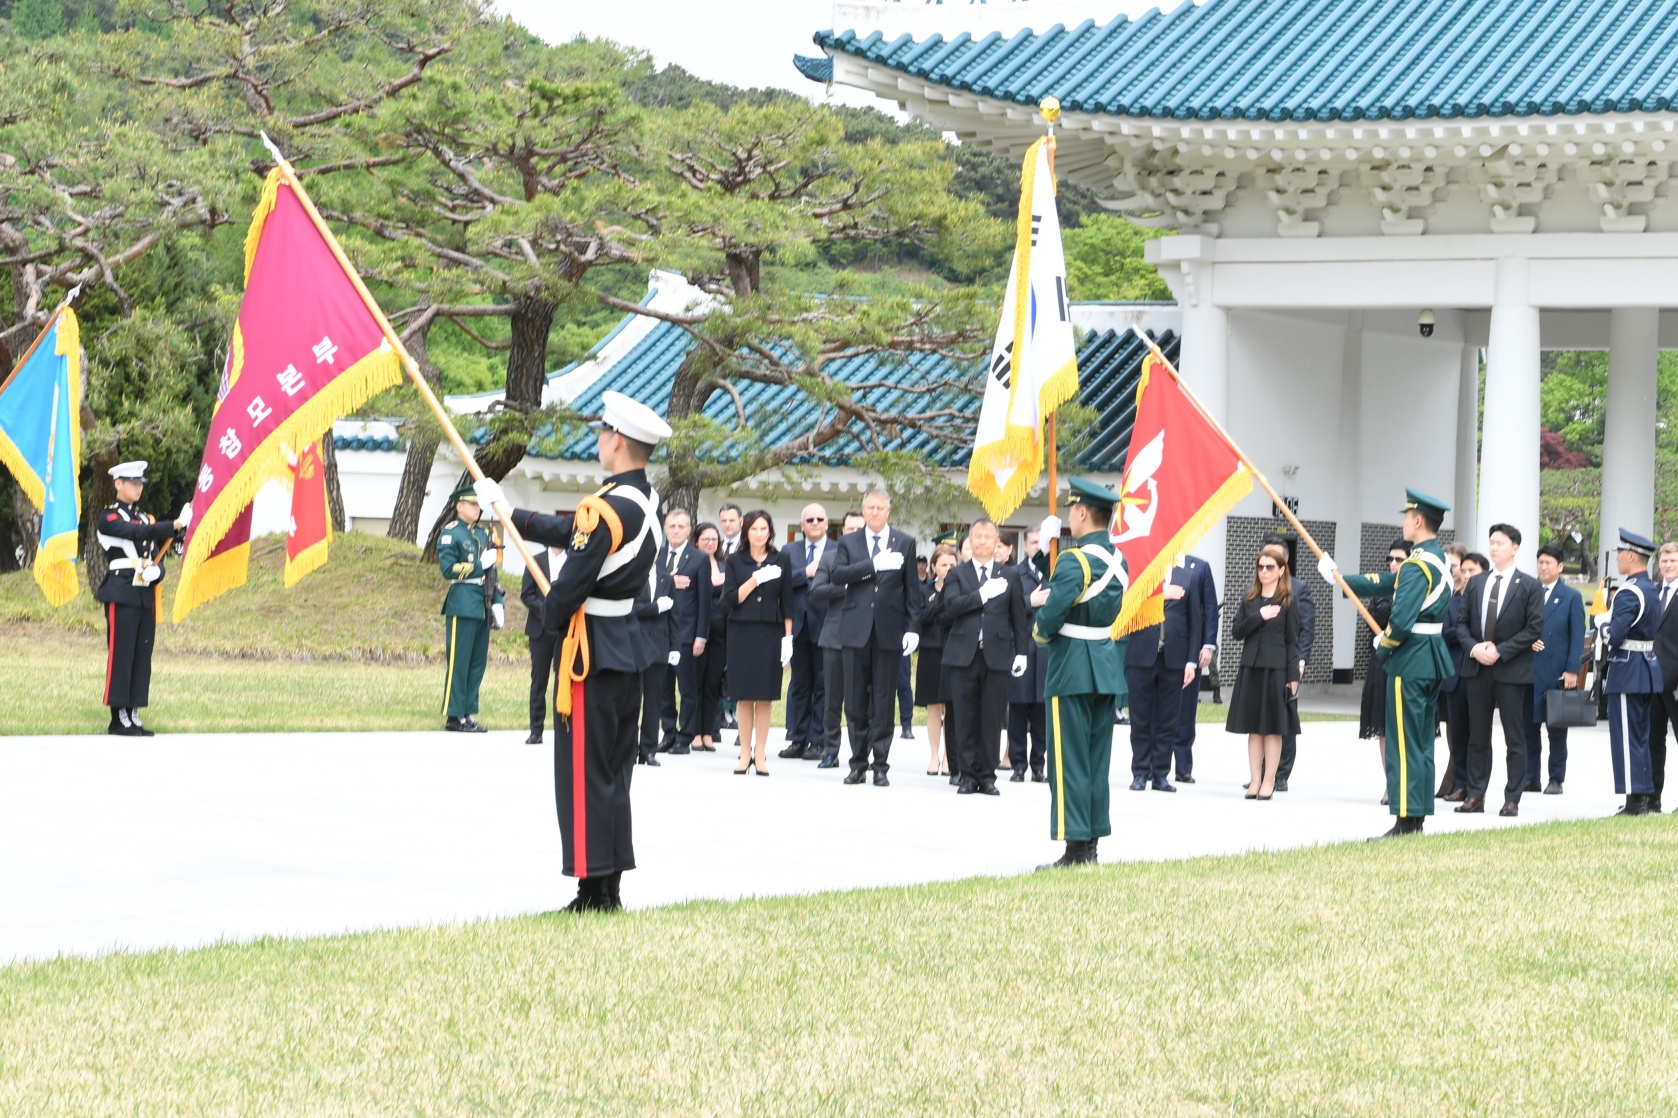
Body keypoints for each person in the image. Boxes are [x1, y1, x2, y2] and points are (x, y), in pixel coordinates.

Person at [475, 390, 669, 913]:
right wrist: (508, 512)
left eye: (604, 433)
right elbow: (572, 532)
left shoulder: (605, 508)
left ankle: (591, 892)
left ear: (618, 442)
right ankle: (609, 888)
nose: (600, 440)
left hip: (591, 655)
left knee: (583, 775)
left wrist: (550, 621)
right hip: (626, 648)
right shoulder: (645, 504)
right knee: (613, 774)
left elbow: (570, 584)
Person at [1324, 489, 1455, 838]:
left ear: (1417, 520)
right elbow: (1385, 582)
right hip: (1430, 657)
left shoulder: (1416, 565)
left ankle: (1404, 820)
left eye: (1406, 516)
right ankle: (1417, 816)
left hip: (1410, 658)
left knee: (1402, 741)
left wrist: (1386, 642)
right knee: (1422, 741)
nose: (1403, 522)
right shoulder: (1438, 559)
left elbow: (1402, 615)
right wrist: (1339, 577)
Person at [1033, 479, 1126, 868]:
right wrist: (1044, 555)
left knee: (1068, 762)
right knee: (1094, 762)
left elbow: (1052, 612)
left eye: (1072, 509)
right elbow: (1076, 593)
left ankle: (1074, 851)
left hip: (1071, 666)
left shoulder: (1075, 559)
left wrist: (1039, 630)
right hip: (1104, 666)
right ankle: (1089, 846)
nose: (1070, 514)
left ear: (1083, 512)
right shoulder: (1119, 560)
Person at [830, 488, 925, 786]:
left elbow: (912, 590)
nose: (874, 512)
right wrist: (873, 565)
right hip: (856, 629)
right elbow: (838, 575)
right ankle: (857, 763)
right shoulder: (848, 541)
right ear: (862, 509)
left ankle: (881, 764)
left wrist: (913, 627)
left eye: (880, 508)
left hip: (889, 630)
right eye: (869, 507)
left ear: (888, 510)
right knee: (855, 701)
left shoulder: (905, 542)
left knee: (884, 700)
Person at [93, 461, 191, 736]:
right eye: (132, 482)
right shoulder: (109, 517)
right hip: (121, 590)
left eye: (140, 482)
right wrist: (175, 524)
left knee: (141, 655)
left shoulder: (146, 518)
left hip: (144, 593)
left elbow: (156, 554)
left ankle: (133, 713)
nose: (138, 486)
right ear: (118, 484)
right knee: (122, 653)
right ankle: (118, 717)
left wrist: (156, 572)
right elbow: (138, 534)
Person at [1453, 523, 1544, 817]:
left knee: (1514, 737)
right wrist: (1474, 648)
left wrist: (1500, 651)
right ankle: (1475, 794)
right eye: (1491, 543)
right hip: (1477, 668)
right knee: (1477, 736)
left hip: (1511, 670)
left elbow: (1533, 629)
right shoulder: (1477, 583)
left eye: (1500, 543)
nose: (1493, 548)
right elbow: (1462, 624)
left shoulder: (1529, 585)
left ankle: (1512, 798)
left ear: (1515, 548)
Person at [941, 518, 1030, 797]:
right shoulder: (958, 574)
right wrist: (981, 594)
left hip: (997, 654)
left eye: (987, 537)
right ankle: (967, 775)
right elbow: (951, 607)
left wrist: (1022, 653)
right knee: (965, 716)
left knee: (992, 718)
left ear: (997, 543)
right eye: (976, 536)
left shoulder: (1010, 575)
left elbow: (1019, 617)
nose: (981, 541)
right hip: (964, 654)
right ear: (969, 541)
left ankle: (987, 776)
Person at [1124, 554, 1215, 793]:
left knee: (1168, 719)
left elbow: (1195, 621)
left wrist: (1191, 662)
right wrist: (1161, 594)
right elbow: (1126, 608)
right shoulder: (1141, 575)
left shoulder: (1187, 576)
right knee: (1141, 718)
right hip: (1142, 655)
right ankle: (1141, 772)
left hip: (1174, 658)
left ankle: (1161, 774)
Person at [1225, 543, 1301, 799]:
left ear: (1281, 570)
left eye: (1270, 567)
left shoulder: (1288, 601)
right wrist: (1260, 615)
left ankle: (1270, 781)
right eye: (1260, 567)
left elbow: (1293, 642)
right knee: (1253, 728)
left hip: (1276, 670)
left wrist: (1293, 677)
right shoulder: (1249, 599)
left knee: (1272, 728)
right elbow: (1236, 632)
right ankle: (1255, 780)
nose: (1264, 571)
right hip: (1252, 669)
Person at [723, 510, 795, 775]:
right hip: (741, 630)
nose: (759, 534)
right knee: (743, 696)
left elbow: (788, 601)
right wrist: (755, 579)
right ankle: (744, 753)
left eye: (763, 529)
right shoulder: (735, 560)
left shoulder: (781, 559)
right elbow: (730, 598)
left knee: (765, 696)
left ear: (770, 531)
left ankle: (761, 753)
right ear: (746, 532)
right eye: (754, 529)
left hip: (771, 631)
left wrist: (788, 638)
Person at [1599, 529, 1663, 816]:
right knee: (1640, 737)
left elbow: (1614, 636)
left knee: (1626, 738)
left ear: (1631, 555)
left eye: (1620, 554)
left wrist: (1601, 623)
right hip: (1646, 668)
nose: (1618, 559)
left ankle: (1635, 801)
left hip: (1627, 670)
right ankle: (1644, 795)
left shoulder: (1629, 591)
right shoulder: (1651, 588)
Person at [437, 482, 505, 733]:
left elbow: (492, 574)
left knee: (477, 662)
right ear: (459, 506)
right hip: (463, 599)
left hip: (483, 600)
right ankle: (454, 715)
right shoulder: (450, 533)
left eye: (479, 504)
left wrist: (498, 601)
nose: (478, 508)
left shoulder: (483, 534)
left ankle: (468, 712)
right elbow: (447, 569)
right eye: (473, 504)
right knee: (459, 661)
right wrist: (478, 564)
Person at [1352, 540, 1410, 802]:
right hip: (1383, 662)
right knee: (1385, 727)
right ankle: (1391, 783)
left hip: (1409, 662)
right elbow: (1374, 620)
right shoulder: (1383, 591)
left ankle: (1408, 783)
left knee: (1406, 728)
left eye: (1399, 559)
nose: (1393, 564)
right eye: (1391, 559)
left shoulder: (1418, 589)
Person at [1526, 542, 1585, 796]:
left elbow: (1577, 635)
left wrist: (1573, 670)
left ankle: (1555, 778)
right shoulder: (1529, 592)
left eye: (1549, 562)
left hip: (1556, 671)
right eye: (1540, 562)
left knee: (1556, 730)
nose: (1543, 567)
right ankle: (1530, 778)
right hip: (1529, 670)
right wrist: (1528, 640)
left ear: (1560, 566)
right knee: (1528, 728)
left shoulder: (1571, 597)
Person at [811, 510, 865, 768]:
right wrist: (846, 588)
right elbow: (817, 590)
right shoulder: (830, 558)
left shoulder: (875, 560)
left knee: (860, 702)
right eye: (850, 528)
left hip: (865, 637)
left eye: (859, 528)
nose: (854, 533)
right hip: (834, 636)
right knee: (832, 699)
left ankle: (860, 753)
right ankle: (830, 750)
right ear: (843, 531)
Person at [780, 503, 831, 760]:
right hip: (798, 625)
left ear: (827, 523)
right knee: (800, 685)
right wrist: (805, 573)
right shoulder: (789, 550)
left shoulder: (838, 549)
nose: (814, 523)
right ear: (801, 525)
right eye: (808, 519)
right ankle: (797, 738)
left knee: (823, 685)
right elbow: (781, 581)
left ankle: (818, 741)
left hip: (826, 626)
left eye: (819, 519)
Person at [657, 509, 710, 755]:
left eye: (681, 526)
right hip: (660, 633)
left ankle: (684, 736)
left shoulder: (698, 558)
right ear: (665, 529)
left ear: (689, 530)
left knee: (687, 689)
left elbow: (704, 601)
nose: (676, 530)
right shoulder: (657, 557)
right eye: (671, 526)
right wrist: (669, 580)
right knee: (663, 688)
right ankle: (668, 732)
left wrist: (701, 635)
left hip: (687, 635)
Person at [1437, 548, 1484, 800]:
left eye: (1471, 570)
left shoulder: (1490, 602)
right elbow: (1445, 631)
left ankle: (1474, 787)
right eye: (1462, 570)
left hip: (1480, 673)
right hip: (1454, 673)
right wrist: (1466, 632)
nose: (1465, 575)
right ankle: (1458, 783)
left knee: (1478, 734)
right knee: (1454, 731)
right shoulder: (1451, 600)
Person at [1008, 528, 1051, 784]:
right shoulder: (1014, 573)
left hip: (1046, 653)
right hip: (1020, 650)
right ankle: (1018, 765)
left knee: (1041, 714)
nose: (1038, 546)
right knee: (1018, 712)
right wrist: (1028, 601)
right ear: (1025, 546)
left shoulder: (1055, 572)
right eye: (1034, 542)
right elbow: (1004, 606)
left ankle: (1038, 766)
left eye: (1042, 542)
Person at [1267, 536, 1309, 791]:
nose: (1266, 565)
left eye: (1273, 558)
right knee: (1262, 719)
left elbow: (1306, 628)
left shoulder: (1298, 589)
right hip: (1264, 663)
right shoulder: (1257, 589)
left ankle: (1281, 773)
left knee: (1284, 718)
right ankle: (1262, 772)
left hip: (1287, 662)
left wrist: (1300, 659)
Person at [632, 555, 677, 767]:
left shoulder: (666, 579)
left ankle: (648, 750)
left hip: (659, 646)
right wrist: (655, 608)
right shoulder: (630, 577)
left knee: (653, 701)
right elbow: (630, 610)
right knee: (631, 701)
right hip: (634, 645)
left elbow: (674, 615)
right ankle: (629, 749)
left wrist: (675, 646)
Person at [917, 543, 958, 777]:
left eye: (952, 564)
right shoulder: (924, 591)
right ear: (934, 567)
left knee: (951, 707)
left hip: (954, 651)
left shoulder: (962, 588)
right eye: (944, 564)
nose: (949, 568)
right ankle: (934, 755)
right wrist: (940, 602)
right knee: (934, 706)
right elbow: (920, 616)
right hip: (931, 651)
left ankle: (949, 758)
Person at [521, 540, 564, 744]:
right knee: (539, 681)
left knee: (563, 681)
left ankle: (563, 730)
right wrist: (546, 611)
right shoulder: (535, 561)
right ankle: (536, 730)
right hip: (540, 628)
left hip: (565, 630)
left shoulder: (575, 561)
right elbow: (527, 594)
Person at [691, 522, 727, 753]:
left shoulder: (725, 564)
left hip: (722, 632)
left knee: (714, 683)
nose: (710, 543)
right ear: (696, 541)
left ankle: (708, 732)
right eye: (705, 539)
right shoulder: (692, 563)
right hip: (698, 631)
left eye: (714, 539)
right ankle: (694, 731)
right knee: (696, 682)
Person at [1648, 541, 1678, 813]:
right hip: (1652, 680)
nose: (1668, 566)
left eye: (1673, 561)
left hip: (1676, 681)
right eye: (1664, 562)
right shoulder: (1653, 592)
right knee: (1652, 742)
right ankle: (1652, 799)